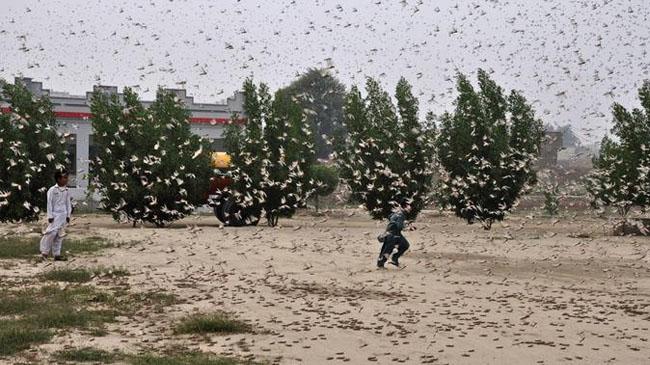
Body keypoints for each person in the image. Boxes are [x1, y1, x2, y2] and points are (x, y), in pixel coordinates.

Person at [40, 169, 72, 261]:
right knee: (51, 233)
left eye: (67, 178)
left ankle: (57, 254)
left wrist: (68, 216)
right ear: (58, 179)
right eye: (64, 178)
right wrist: (50, 216)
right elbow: (49, 203)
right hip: (55, 215)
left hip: (63, 215)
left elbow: (68, 204)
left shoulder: (67, 190)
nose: (66, 180)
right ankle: (44, 253)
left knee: (60, 235)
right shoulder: (52, 190)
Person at [377, 198, 411, 268]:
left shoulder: (398, 212)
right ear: (404, 206)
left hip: (395, 234)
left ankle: (394, 259)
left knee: (405, 245)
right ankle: (380, 264)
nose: (410, 207)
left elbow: (390, 217)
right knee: (387, 250)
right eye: (409, 205)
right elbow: (399, 226)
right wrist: (408, 227)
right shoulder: (401, 214)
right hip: (392, 234)